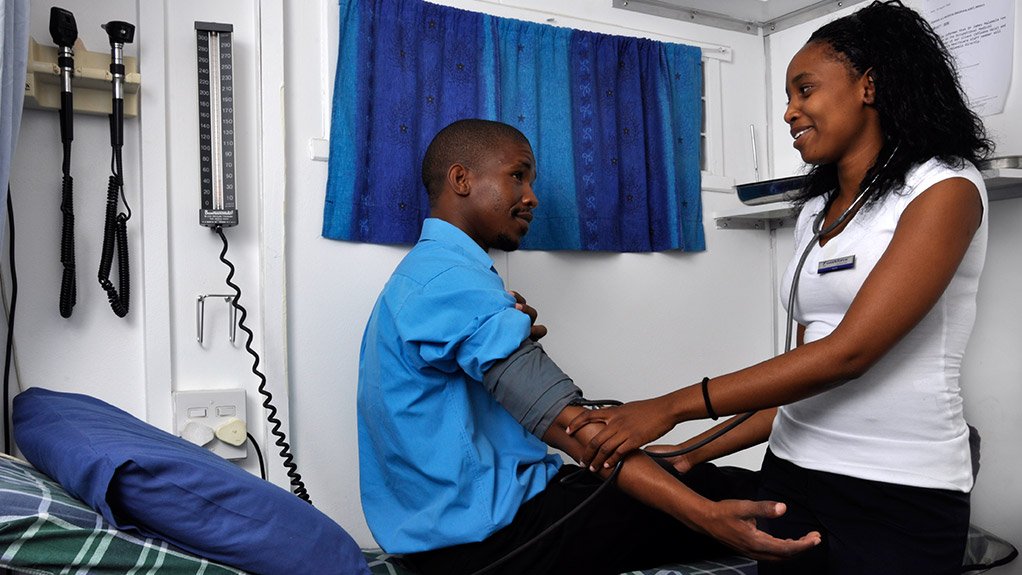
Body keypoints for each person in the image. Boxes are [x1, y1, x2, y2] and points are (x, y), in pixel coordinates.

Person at [565, 2, 992, 574]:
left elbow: (849, 353)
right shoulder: (814, 212)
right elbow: (802, 375)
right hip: (792, 475)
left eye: (805, 90)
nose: (790, 112)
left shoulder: (944, 187)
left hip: (899, 492)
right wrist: (693, 452)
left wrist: (670, 409)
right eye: (787, 97)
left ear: (871, 85)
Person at [356, 118, 820, 575]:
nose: (532, 196)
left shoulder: (428, 273)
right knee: (747, 501)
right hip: (490, 543)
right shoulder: (452, 283)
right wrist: (706, 517)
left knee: (704, 478)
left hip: (456, 529)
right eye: (517, 175)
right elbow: (578, 432)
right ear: (461, 179)